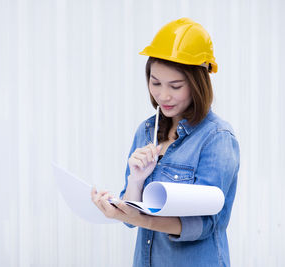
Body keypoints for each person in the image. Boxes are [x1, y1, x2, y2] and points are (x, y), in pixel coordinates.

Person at [91, 17, 240, 267]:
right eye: (155, 82)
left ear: (197, 84)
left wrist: (144, 220)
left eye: (175, 85)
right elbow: (131, 217)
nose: (163, 95)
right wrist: (135, 180)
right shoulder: (147, 130)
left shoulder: (217, 138)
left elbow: (205, 224)